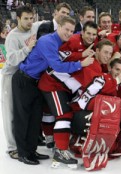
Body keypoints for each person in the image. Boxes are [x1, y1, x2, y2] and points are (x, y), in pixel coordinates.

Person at [11, 16, 93, 166]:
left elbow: (65, 55)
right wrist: (81, 63)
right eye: (66, 29)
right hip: (24, 80)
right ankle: (23, 153)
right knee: (23, 118)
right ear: (59, 27)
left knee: (35, 118)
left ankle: (31, 150)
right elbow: (57, 66)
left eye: (71, 31)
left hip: (35, 81)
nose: (69, 33)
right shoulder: (48, 41)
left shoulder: (59, 41)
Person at [0, 5, 45, 160]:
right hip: (11, 75)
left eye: (31, 18)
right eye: (25, 18)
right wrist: (27, 48)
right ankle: (13, 147)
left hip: (26, 77)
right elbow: (11, 59)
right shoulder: (13, 36)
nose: (29, 22)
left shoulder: (35, 28)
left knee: (25, 114)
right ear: (18, 18)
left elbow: (54, 21)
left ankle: (27, 145)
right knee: (10, 112)